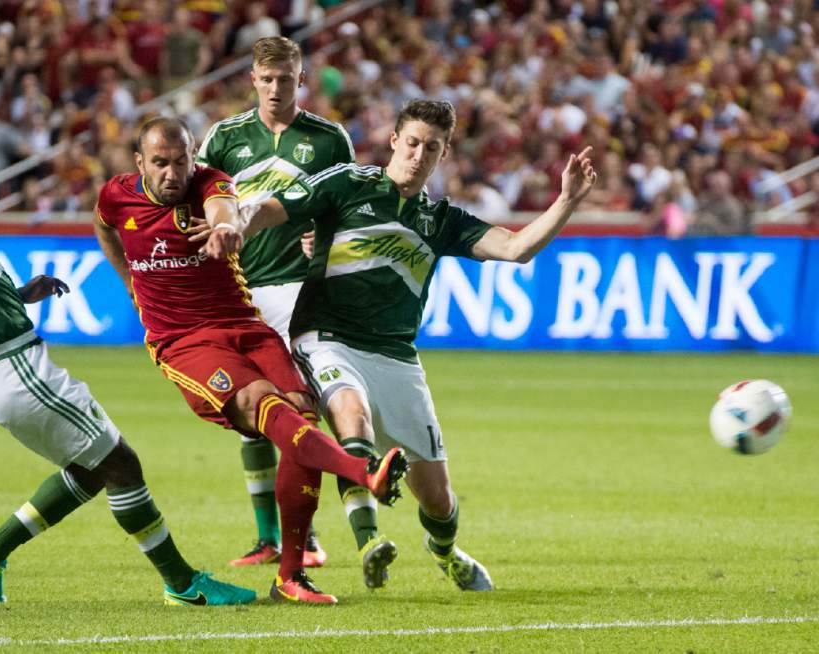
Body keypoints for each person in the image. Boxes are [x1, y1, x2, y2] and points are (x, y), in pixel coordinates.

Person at [0, 134, 256, 607]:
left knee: (90, 470)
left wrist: (21, 294)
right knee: (122, 464)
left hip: (2, 369)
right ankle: (183, 584)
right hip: (14, 365)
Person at [228, 100, 598, 591]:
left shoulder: (441, 219)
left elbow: (515, 248)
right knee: (349, 414)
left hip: (396, 356)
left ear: (443, 156)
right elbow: (273, 208)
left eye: (433, 147)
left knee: (437, 499)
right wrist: (232, 225)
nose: (420, 154)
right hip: (327, 337)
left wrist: (566, 200)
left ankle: (445, 552)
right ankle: (368, 542)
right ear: (395, 141)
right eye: (414, 142)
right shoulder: (346, 184)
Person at [92, 117, 408, 604]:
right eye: (160, 164)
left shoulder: (210, 182)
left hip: (246, 327)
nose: (173, 173)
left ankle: (290, 576)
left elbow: (225, 208)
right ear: (140, 163)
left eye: (181, 161)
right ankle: (362, 473)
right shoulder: (117, 195)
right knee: (265, 404)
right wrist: (130, 283)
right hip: (185, 342)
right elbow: (103, 225)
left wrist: (225, 229)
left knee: (301, 414)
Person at [196, 36, 361, 573]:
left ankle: (303, 536)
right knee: (251, 415)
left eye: (285, 79)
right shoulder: (224, 138)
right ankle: (268, 537)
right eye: (266, 79)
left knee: (295, 410)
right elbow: (196, 205)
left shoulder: (329, 139)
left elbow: (348, 207)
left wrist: (328, 241)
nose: (274, 88)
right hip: (238, 294)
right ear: (252, 79)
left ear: (301, 78)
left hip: (298, 290)